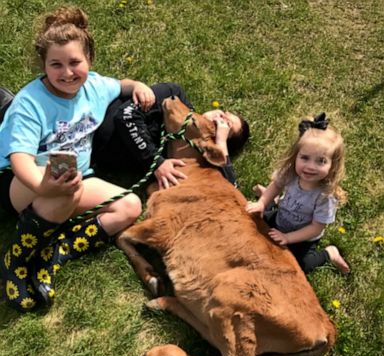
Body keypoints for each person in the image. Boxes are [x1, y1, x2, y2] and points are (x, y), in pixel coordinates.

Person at [0, 6, 156, 312]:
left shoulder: (94, 87)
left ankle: (56, 251)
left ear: (90, 61)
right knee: (61, 187)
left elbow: (119, 85)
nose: (67, 73)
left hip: (73, 178)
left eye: (75, 62)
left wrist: (136, 86)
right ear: (43, 65)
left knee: (130, 206)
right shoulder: (30, 103)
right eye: (55, 64)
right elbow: (19, 160)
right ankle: (15, 261)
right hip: (20, 182)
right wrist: (42, 185)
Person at [91, 82, 250, 189]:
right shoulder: (174, 96)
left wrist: (221, 144)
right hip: (85, 121)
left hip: (88, 158)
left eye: (226, 125)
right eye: (224, 114)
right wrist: (156, 162)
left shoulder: (186, 160)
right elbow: (125, 116)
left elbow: (229, 189)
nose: (219, 119)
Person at [246, 113, 350, 275]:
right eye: (305, 158)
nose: (310, 166)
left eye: (321, 161)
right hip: (279, 218)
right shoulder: (291, 173)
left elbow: (315, 228)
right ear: (296, 156)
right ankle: (268, 199)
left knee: (301, 267)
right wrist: (261, 203)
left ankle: (329, 253)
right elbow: (277, 185)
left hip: (303, 238)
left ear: (332, 165)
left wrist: (287, 239)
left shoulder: (326, 196)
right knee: (251, 221)